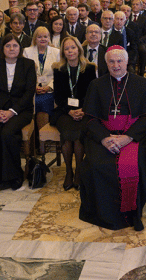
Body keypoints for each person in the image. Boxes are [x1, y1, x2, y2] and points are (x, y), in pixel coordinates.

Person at [79, 46, 146, 231]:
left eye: (119, 61)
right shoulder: (96, 85)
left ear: (127, 61)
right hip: (103, 136)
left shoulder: (141, 83)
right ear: (106, 63)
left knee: (133, 165)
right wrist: (104, 138)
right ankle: (102, 214)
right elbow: (90, 118)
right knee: (96, 165)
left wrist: (128, 137)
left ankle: (130, 213)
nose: (116, 65)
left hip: (132, 136)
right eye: (111, 62)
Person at [0, 34, 36, 191]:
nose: (11, 49)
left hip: (20, 110)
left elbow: (29, 92)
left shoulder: (28, 64)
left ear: (20, 48)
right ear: (3, 48)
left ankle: (14, 175)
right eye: (8, 46)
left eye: (15, 46)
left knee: (7, 133)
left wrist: (12, 111)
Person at [52, 36, 96, 190]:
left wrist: (82, 109)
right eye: (67, 48)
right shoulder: (58, 69)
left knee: (78, 135)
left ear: (79, 49)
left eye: (73, 47)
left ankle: (78, 172)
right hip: (64, 111)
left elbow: (92, 94)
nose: (70, 51)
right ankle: (68, 172)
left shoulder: (90, 68)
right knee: (67, 132)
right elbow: (58, 96)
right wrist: (70, 111)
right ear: (63, 52)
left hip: (84, 110)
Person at [23, 26, 60, 116]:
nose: (42, 39)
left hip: (50, 90)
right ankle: (33, 128)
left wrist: (49, 87)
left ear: (49, 38)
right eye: (39, 37)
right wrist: (34, 87)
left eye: (45, 36)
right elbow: (24, 74)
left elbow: (59, 75)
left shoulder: (56, 52)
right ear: (35, 38)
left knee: (46, 102)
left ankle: (43, 128)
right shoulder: (27, 51)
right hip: (32, 90)